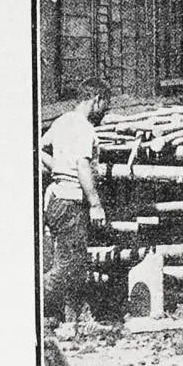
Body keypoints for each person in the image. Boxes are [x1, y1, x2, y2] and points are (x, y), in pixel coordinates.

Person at [39, 78, 110, 329]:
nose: (104, 111)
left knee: (74, 263)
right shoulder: (83, 127)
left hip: (57, 199)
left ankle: (76, 318)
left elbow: (39, 147)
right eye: (105, 105)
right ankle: (29, 298)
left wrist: (58, 168)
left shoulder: (62, 122)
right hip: (71, 202)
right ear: (96, 99)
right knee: (68, 266)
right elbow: (82, 164)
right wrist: (95, 203)